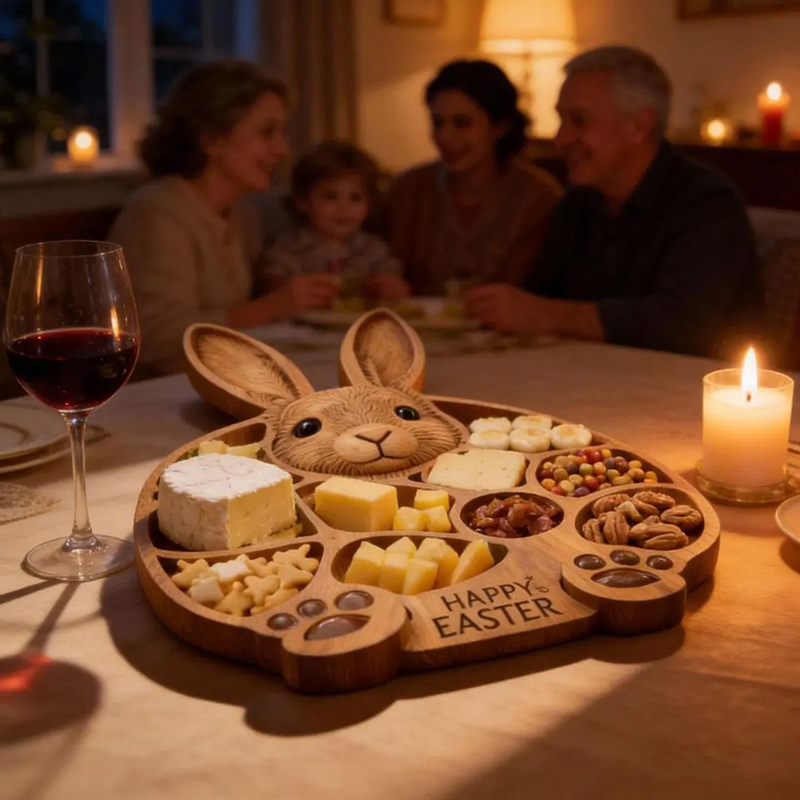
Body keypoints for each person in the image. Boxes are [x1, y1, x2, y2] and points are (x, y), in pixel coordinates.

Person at [465, 46, 763, 358]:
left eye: (578, 121)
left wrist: (548, 314)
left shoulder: (706, 203)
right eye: (561, 120)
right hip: (597, 380)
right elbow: (541, 295)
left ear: (638, 126)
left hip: (692, 393)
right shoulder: (579, 202)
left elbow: (682, 324)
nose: (561, 139)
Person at [109, 59, 338, 376]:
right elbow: (152, 340)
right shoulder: (156, 212)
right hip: (155, 395)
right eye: (267, 132)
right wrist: (271, 307)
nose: (283, 149)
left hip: (217, 378)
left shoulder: (242, 212)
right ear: (212, 140)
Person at [383, 59, 563, 296]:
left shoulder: (539, 197)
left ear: (499, 126)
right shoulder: (408, 190)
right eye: (438, 123)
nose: (445, 137)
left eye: (462, 123)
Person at [260, 140, 409, 309]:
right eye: (330, 196)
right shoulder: (288, 248)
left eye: (355, 198)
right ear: (302, 201)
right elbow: (272, 288)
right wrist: (284, 289)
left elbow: (395, 283)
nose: (343, 208)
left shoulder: (374, 250)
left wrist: (392, 288)